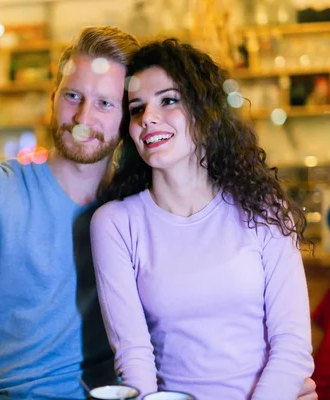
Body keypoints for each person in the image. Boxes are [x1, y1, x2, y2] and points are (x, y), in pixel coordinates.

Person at [0, 25, 318, 399]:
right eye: (73, 95)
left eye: (107, 103)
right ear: (53, 98)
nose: (84, 116)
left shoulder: (129, 207)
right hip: (12, 394)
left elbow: (252, 337)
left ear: (122, 121)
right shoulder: (0, 187)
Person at [90, 38, 315, 400]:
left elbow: (292, 346)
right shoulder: (115, 223)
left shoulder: (263, 208)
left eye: (169, 100)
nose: (148, 117)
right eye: (136, 108)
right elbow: (134, 356)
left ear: (204, 111)